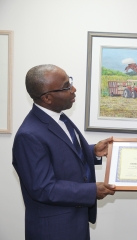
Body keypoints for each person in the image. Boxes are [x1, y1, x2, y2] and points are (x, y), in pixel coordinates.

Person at [12, 64, 116, 240]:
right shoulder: (28, 135)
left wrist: (93, 152)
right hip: (54, 230)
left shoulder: (59, 117)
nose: (73, 89)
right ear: (47, 98)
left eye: (71, 82)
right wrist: (91, 191)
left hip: (75, 223)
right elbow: (43, 188)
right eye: (67, 86)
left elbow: (61, 154)